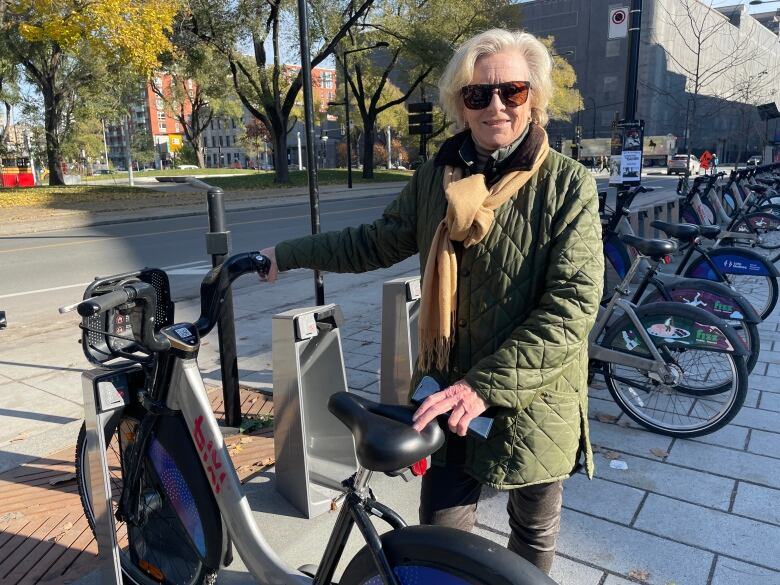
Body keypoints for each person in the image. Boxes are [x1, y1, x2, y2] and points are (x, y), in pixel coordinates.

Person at [259, 28, 604, 575]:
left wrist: (484, 387)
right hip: (445, 390)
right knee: (439, 537)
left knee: (532, 537)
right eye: (478, 94)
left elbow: (572, 304)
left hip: (536, 399)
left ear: (533, 98)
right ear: (460, 104)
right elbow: (374, 240)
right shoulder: (435, 180)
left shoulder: (567, 185)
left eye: (511, 92)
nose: (496, 106)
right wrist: (287, 253)